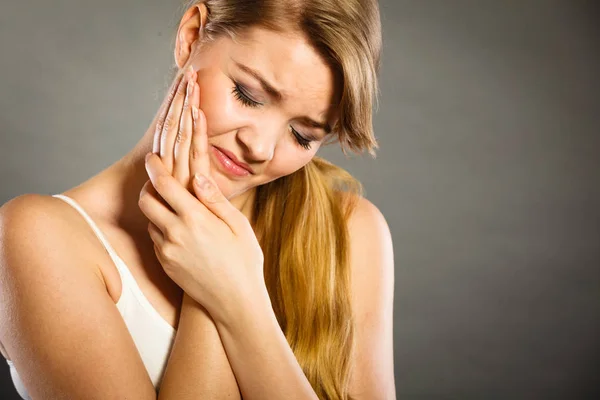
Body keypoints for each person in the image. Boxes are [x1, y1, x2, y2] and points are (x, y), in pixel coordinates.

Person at [0, 0, 395, 398]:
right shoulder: (38, 238)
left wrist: (235, 292)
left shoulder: (349, 230)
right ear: (191, 37)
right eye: (248, 94)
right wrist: (208, 281)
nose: (259, 147)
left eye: (302, 136)